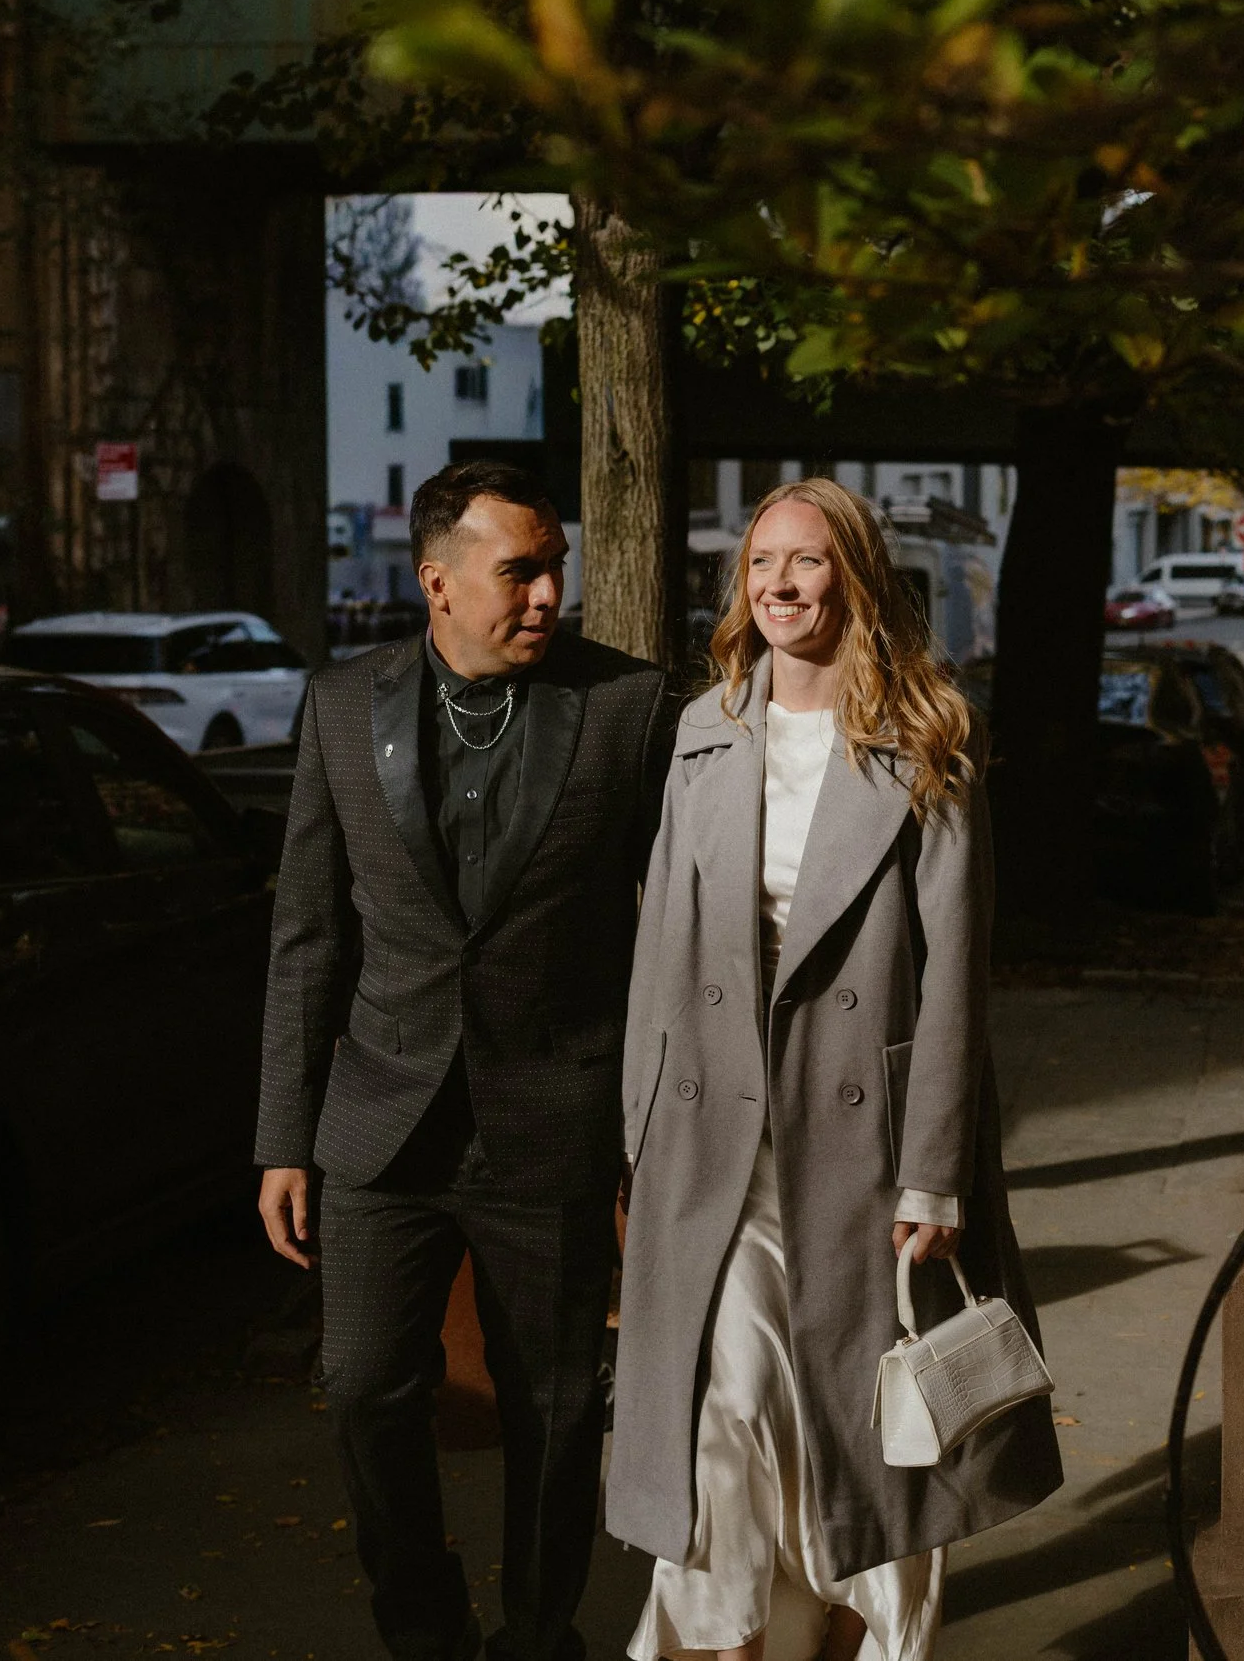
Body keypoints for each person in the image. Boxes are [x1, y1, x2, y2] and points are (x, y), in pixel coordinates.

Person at [610, 478, 1060, 1661]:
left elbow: (955, 969)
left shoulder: (926, 737)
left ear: (852, 575)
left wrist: (935, 1171)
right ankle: (728, 1636)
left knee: (873, 1438)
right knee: (728, 1411)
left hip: (862, 1143)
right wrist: (638, 1137)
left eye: (807, 562)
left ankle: (855, 1635)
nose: (779, 586)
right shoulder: (708, 727)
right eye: (762, 565)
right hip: (716, 1136)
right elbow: (660, 944)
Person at [254, 458, 674, 1661]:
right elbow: (306, 934)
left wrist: (651, 1132)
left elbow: (678, 929)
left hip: (554, 1115)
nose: (548, 594)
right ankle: (422, 1625)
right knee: (364, 1381)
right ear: (438, 581)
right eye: (520, 572)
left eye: (556, 568)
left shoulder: (627, 707)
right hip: (382, 1121)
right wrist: (283, 1134)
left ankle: (539, 1633)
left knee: (554, 1405)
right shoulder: (340, 704)